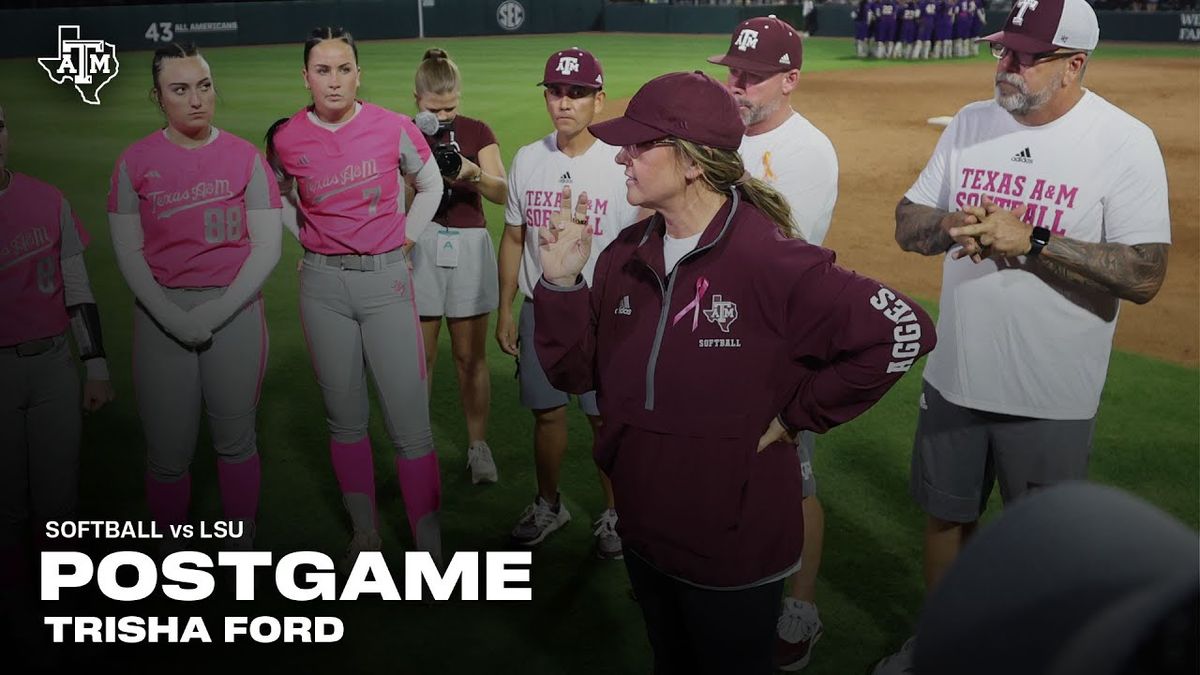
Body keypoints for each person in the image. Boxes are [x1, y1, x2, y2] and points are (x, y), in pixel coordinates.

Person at [535, 70, 936, 675]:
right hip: (645, 533)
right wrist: (561, 282)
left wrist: (798, 413)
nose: (622, 154)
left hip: (732, 550)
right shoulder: (623, 255)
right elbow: (573, 374)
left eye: (641, 145)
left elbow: (904, 329)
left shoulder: (771, 260)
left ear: (692, 161)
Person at [875, 1, 1171, 671]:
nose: (1004, 65)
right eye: (1002, 50)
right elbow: (906, 221)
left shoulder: (1123, 140)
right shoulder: (971, 123)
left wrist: (1031, 238)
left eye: (1023, 56)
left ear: (1074, 65)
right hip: (956, 373)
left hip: (1050, 390)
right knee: (946, 517)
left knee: (1044, 543)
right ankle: (945, 643)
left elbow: (1145, 272)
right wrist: (953, 223)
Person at [270, 27, 445, 566]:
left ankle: (428, 546)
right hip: (322, 288)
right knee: (344, 418)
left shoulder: (393, 128)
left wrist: (406, 237)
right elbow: (277, 194)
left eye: (344, 69)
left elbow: (432, 184)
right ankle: (365, 531)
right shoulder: (287, 138)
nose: (334, 80)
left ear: (358, 74)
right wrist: (311, 241)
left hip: (386, 282)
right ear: (306, 77)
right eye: (322, 70)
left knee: (410, 424)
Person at [108, 42, 282, 551]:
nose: (196, 99)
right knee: (167, 454)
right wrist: (171, 316)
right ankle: (169, 561)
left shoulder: (245, 157)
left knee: (236, 443)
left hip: (235, 315)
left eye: (203, 86)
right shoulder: (134, 162)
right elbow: (128, 252)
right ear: (158, 96)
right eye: (179, 89)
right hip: (162, 318)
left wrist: (216, 310)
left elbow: (267, 247)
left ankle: (240, 552)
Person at [707, 15, 840, 671]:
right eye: (733, 70)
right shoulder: (718, 137)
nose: (737, 84)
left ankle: (802, 606)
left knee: (794, 478)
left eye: (753, 77)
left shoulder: (808, 152)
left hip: (777, 347)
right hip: (710, 331)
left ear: (790, 80)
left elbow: (781, 260)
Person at [496, 47, 645, 558]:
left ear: (599, 100)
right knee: (546, 414)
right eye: (556, 92)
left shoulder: (622, 164)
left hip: (604, 315)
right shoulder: (527, 159)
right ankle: (548, 503)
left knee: (603, 418)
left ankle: (616, 513)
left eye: (577, 93)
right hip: (542, 308)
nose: (564, 102)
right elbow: (513, 237)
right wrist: (505, 307)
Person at [1, 102, 115, 613]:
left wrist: (94, 364)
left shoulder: (46, 198)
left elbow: (75, 286)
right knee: (7, 510)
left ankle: (64, 613)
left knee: (59, 506)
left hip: (53, 369)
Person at [409, 48, 507, 485]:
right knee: (422, 357)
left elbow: (503, 193)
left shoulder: (477, 130)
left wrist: (470, 172)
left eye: (451, 106)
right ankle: (417, 447)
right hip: (421, 243)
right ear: (417, 99)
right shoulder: (404, 134)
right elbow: (399, 205)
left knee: (470, 356)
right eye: (435, 108)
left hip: (468, 244)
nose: (445, 116)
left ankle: (477, 447)